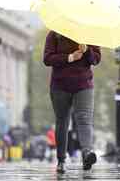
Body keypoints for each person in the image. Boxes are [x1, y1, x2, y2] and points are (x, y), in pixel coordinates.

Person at [43, 31, 101, 173]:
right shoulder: (54, 34)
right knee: (62, 122)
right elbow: (47, 59)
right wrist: (70, 57)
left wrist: (87, 50)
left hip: (83, 85)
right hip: (60, 86)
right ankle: (61, 160)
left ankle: (87, 154)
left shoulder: (90, 33)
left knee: (84, 119)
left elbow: (96, 59)